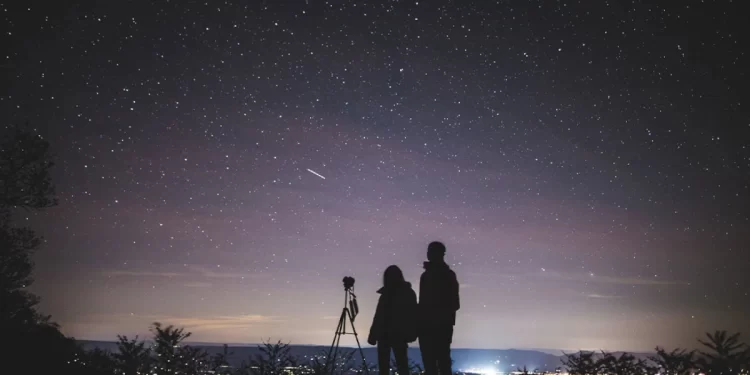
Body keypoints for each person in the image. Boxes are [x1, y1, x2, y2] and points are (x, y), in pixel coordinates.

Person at [418, 241, 460, 375]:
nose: (428, 254)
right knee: (440, 361)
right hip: (437, 325)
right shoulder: (442, 275)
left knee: (436, 362)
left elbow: (454, 303)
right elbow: (455, 303)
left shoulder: (435, 276)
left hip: (436, 325)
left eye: (431, 251)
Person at [368, 265, 418, 375]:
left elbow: (379, 316)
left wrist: (373, 334)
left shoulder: (386, 295)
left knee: (387, 367)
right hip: (397, 335)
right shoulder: (408, 293)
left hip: (390, 335)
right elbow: (413, 315)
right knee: (401, 365)